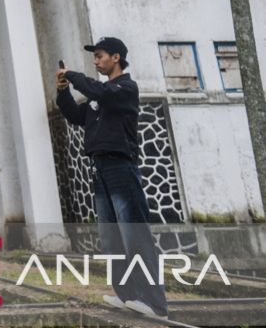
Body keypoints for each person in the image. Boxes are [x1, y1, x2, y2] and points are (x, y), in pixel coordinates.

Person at [56, 37, 168, 319]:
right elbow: (74, 115)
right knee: (111, 238)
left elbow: (101, 93)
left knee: (135, 235)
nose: (96, 61)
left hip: (121, 168)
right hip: (99, 169)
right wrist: (63, 91)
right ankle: (127, 295)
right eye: (94, 57)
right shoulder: (101, 95)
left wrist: (73, 75)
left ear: (116, 57)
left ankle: (156, 305)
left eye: (100, 56)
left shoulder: (125, 88)